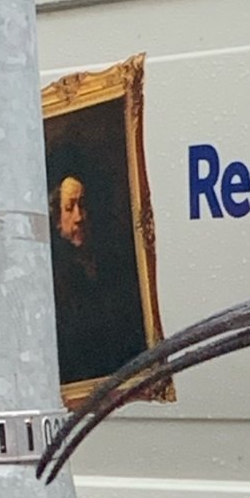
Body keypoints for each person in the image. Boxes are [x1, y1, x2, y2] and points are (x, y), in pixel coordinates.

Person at [48, 156, 148, 386]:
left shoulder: (116, 263)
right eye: (69, 208)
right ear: (57, 219)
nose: (79, 217)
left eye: (83, 205)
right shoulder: (54, 277)